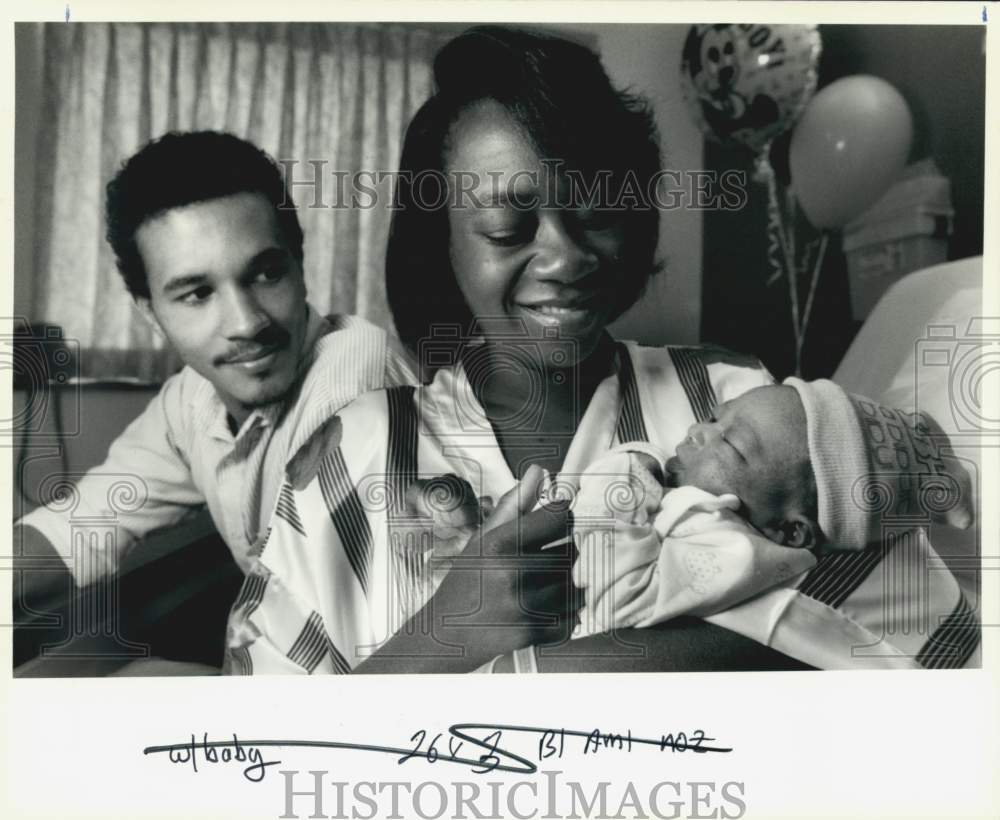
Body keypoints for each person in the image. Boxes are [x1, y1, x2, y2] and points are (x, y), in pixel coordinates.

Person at [223, 26, 822, 675]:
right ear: (444, 242)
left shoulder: (735, 401)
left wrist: (546, 675)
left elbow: (867, 631)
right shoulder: (344, 459)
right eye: (507, 229)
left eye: (596, 212)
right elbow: (265, 749)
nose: (565, 257)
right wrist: (443, 634)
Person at [13, 131, 416, 671]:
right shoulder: (192, 398)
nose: (247, 323)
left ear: (299, 268)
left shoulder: (352, 373)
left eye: (266, 273)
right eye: (198, 294)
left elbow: (326, 640)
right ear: (150, 312)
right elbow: (87, 522)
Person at [560, 379, 977, 670]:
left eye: (732, 444)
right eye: (713, 418)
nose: (697, 432)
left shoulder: (735, 548)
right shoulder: (727, 511)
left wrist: (623, 474)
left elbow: (618, 602)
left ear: (789, 533)